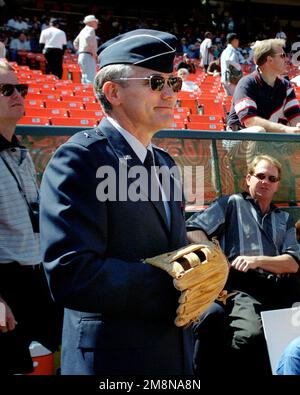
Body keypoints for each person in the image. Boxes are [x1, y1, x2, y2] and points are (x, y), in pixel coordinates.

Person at [40, 28, 193, 375]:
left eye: (174, 83)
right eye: (156, 82)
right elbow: (70, 273)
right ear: (113, 92)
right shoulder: (80, 159)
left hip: (172, 354)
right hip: (113, 360)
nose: (169, 93)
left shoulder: (165, 162)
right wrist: (178, 284)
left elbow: (170, 247)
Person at [186, 154, 300, 376]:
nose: (265, 181)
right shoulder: (230, 203)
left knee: (289, 341)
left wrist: (255, 260)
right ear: (248, 179)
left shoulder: (283, 218)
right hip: (241, 286)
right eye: (260, 176)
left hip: (281, 287)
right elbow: (192, 229)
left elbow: (293, 263)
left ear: (277, 185)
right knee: (250, 336)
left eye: (272, 178)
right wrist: (217, 256)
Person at [0, 60, 62, 374]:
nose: (17, 95)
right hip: (5, 284)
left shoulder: (21, 154)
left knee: (68, 348)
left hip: (37, 278)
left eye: (20, 88)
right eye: (5, 89)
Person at [227, 38, 300, 133]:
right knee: (259, 131)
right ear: (269, 59)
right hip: (237, 139)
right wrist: (285, 129)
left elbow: (295, 117)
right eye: (283, 55)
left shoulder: (286, 86)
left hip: (268, 140)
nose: (287, 59)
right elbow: (250, 121)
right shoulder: (247, 83)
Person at [73, 15, 99, 84]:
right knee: (90, 78)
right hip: (88, 55)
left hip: (82, 55)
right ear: (91, 22)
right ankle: (89, 94)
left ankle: (85, 93)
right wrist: (93, 53)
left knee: (84, 78)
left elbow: (75, 42)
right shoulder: (90, 29)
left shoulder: (83, 30)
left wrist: (81, 49)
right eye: (95, 22)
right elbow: (88, 38)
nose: (97, 23)